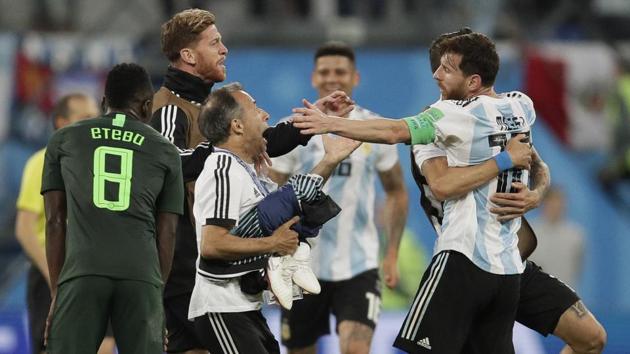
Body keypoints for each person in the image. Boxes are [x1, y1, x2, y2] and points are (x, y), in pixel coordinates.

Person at [292, 32, 536, 353]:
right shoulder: (522, 105)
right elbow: (535, 163)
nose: (435, 74)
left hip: (462, 258)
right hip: (506, 269)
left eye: (447, 68)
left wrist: (329, 123)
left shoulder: (454, 115)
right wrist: (537, 193)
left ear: (473, 82)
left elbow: (393, 131)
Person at [151, 10, 350, 353]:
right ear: (188, 55)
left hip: (208, 264)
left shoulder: (208, 105)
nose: (224, 49)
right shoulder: (171, 107)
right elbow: (168, 164)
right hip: (186, 259)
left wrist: (310, 121)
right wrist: (220, 144)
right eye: (215, 43)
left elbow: (258, 140)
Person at [415, 28, 605, 354]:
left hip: (513, 264)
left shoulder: (501, 116)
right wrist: (502, 161)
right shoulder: (433, 128)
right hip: (470, 265)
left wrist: (537, 194)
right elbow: (442, 186)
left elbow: (538, 167)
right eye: (445, 69)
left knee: (591, 337)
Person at [189, 83, 360, 353]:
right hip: (221, 308)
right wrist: (273, 244)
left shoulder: (245, 170)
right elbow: (212, 245)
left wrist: (330, 160)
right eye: (255, 108)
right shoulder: (222, 168)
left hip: (245, 307)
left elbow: (288, 206)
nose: (265, 114)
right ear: (237, 126)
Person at [268, 41, 409, 354]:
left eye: (340, 72)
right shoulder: (290, 131)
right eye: (325, 72)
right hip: (300, 263)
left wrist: (391, 253)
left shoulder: (374, 129)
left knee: (356, 349)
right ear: (313, 78)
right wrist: (271, 258)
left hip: (359, 265)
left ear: (355, 78)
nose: (332, 78)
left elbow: (396, 191)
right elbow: (269, 196)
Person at [42, 63, 184, 353]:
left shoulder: (63, 139)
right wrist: (156, 294)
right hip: (141, 275)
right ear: (147, 106)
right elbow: (168, 231)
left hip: (82, 272)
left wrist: (59, 291)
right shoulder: (166, 151)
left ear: (104, 103)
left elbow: (55, 221)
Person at [16, 94, 117, 354]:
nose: (94, 124)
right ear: (61, 122)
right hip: (53, 271)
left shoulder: (103, 162)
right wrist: (55, 277)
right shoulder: (43, 161)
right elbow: (25, 228)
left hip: (94, 270)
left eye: (96, 117)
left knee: (104, 345)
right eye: (84, 118)